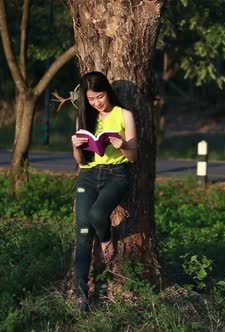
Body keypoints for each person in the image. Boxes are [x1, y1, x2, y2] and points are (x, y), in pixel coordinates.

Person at [70, 71, 137, 311]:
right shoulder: (84, 117)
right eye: (91, 99)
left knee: (97, 215)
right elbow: (80, 160)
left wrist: (123, 145)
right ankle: (81, 295)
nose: (97, 102)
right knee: (83, 234)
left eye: (100, 96)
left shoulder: (124, 114)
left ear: (108, 91)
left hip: (116, 175)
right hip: (88, 175)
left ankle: (107, 238)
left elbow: (133, 156)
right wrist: (76, 147)